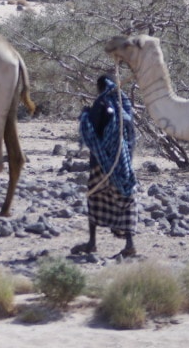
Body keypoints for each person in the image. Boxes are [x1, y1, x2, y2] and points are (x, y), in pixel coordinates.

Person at [71, 74, 139, 259]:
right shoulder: (124, 108)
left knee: (94, 198)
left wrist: (85, 115)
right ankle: (129, 243)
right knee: (126, 199)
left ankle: (92, 242)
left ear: (100, 88)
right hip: (122, 161)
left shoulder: (100, 105)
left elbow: (92, 134)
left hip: (100, 164)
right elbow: (130, 138)